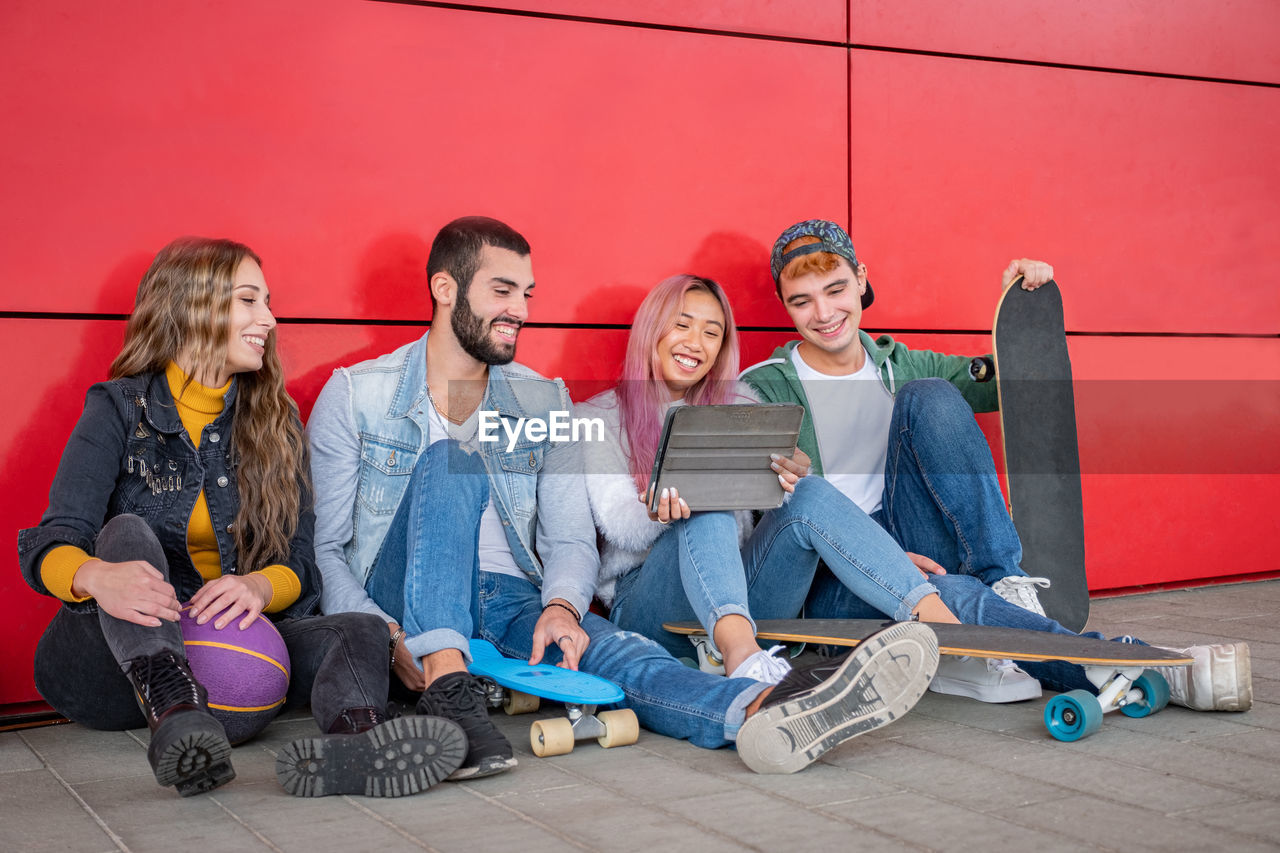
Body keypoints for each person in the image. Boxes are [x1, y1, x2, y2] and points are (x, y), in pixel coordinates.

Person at [307, 215, 941, 776]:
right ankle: (451, 699)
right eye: (503, 292)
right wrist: (387, 634)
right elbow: (330, 550)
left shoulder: (544, 400)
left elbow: (569, 539)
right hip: (403, 592)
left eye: (526, 294)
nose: (521, 309)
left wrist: (560, 604)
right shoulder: (357, 394)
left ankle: (760, 711)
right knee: (450, 463)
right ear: (445, 289)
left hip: (511, 596)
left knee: (624, 661)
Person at [17, 237, 467, 799]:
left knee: (363, 629)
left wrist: (257, 584)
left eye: (268, 302)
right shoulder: (117, 408)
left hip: (226, 655)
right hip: (111, 667)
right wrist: (95, 576)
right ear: (192, 306)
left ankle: (358, 743)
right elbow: (50, 541)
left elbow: (303, 561)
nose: (269, 319)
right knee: (125, 533)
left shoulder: (277, 423)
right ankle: (178, 717)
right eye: (249, 301)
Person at [740, 219, 1251, 711]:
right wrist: (867, 547)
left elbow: (1003, 383)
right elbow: (767, 522)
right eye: (802, 301)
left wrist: (1020, 315)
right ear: (786, 307)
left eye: (836, 290)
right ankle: (1141, 666)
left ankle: (1005, 579)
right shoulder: (763, 385)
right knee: (956, 594)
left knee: (932, 396)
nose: (824, 312)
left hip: (916, 539)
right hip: (838, 576)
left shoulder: (899, 365)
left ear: (862, 281)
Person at [575, 273, 969, 684]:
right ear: (652, 328)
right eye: (682, 324)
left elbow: (783, 508)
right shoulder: (598, 417)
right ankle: (744, 660)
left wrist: (789, 477)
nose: (696, 342)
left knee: (811, 493)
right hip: (653, 606)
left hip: (744, 591)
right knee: (705, 503)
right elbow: (619, 524)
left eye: (712, 333)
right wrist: (660, 509)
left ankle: (942, 627)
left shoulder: (741, 403)